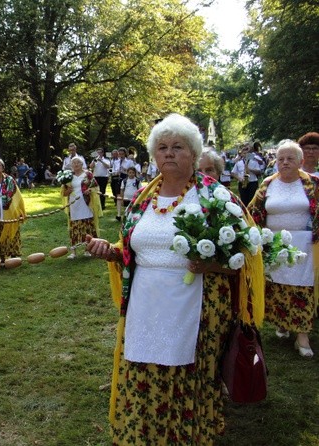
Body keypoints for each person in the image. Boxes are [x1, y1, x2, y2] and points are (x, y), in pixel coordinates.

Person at [86, 113, 264, 444]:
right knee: (143, 369)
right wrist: (110, 252)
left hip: (199, 307)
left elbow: (247, 258)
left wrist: (212, 266)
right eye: (163, 147)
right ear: (154, 155)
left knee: (190, 376)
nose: (169, 153)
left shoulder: (217, 198)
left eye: (178, 147)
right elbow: (131, 252)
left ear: (194, 154)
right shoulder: (142, 198)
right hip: (145, 305)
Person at [248, 139, 318, 357]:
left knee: (302, 288)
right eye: (281, 159)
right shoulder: (268, 183)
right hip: (275, 244)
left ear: (300, 161)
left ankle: (302, 335)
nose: (285, 162)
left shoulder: (312, 184)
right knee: (277, 288)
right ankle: (282, 323)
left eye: (290, 159)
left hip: (304, 244)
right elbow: (253, 211)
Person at [61, 157, 102, 259]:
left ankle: (88, 249)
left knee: (88, 226)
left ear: (82, 164)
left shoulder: (88, 174)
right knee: (74, 227)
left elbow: (96, 187)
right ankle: (73, 251)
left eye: (78, 163)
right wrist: (68, 191)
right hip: (74, 204)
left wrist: (90, 190)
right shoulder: (68, 176)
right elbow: (64, 193)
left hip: (86, 203)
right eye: (74, 163)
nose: (76, 165)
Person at [0, 158, 26, 262]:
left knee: (11, 234)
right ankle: (2, 258)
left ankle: (13, 257)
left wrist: (20, 211)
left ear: (3, 167)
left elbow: (17, 196)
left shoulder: (9, 180)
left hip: (9, 212)